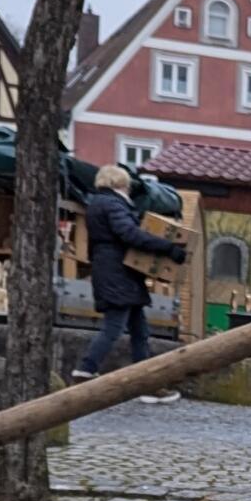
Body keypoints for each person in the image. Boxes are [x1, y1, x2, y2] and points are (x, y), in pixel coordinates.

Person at [71, 165, 185, 402]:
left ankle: (146, 384)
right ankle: (86, 369)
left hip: (115, 272)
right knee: (115, 326)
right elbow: (129, 234)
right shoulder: (113, 204)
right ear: (120, 184)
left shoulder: (98, 203)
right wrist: (168, 248)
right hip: (117, 272)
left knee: (139, 331)